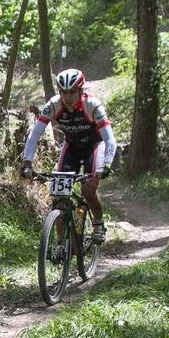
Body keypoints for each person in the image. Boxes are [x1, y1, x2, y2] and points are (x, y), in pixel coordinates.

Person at [20, 68, 117, 244]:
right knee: (59, 197)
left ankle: (98, 223)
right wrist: (27, 162)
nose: (68, 97)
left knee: (88, 189)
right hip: (71, 146)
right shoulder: (53, 105)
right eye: (64, 92)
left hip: (94, 146)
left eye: (72, 92)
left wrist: (106, 165)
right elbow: (34, 136)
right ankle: (61, 244)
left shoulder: (93, 105)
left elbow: (110, 140)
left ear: (80, 90)